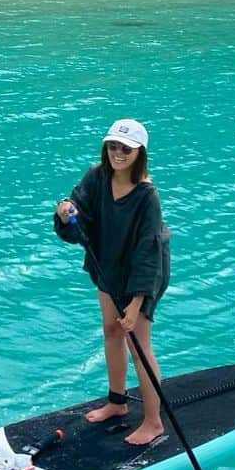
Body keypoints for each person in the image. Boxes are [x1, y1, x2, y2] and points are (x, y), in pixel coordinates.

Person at [54, 118, 171, 446]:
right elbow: (78, 212)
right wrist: (66, 212)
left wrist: (135, 304)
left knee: (138, 344)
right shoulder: (96, 176)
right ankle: (117, 403)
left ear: (139, 153)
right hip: (108, 265)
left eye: (126, 148)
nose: (118, 153)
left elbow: (148, 253)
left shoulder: (148, 196)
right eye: (113, 146)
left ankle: (153, 422)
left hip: (142, 274)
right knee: (111, 331)